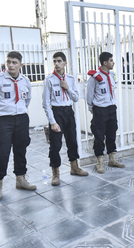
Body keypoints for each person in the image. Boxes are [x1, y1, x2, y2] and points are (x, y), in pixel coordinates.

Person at [0, 51, 36, 201]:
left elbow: (27, 100)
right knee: (1, 153)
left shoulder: (25, 81)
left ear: (21, 65)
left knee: (21, 150)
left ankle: (20, 179)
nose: (11, 65)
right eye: (8, 62)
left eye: (14, 62)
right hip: (2, 120)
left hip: (21, 119)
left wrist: (19, 114)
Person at [42, 52, 88, 186]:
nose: (56, 64)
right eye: (54, 61)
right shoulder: (49, 80)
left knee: (72, 141)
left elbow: (75, 98)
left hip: (68, 111)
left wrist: (67, 88)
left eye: (59, 61)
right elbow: (46, 104)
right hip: (57, 112)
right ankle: (55, 173)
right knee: (55, 144)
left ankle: (74, 167)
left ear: (65, 63)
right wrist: (52, 122)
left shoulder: (71, 78)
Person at [87, 52, 125, 173]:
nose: (113, 62)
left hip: (111, 108)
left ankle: (112, 158)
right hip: (100, 109)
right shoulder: (95, 77)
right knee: (99, 136)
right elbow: (89, 95)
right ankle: (99, 161)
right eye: (111, 60)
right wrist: (92, 109)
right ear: (105, 63)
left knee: (112, 133)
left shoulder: (112, 74)